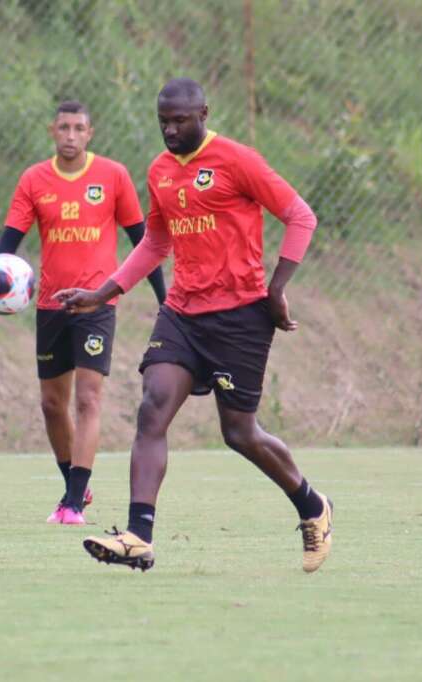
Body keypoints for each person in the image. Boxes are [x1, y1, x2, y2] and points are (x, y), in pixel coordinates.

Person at [54, 78, 332, 572]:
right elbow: (156, 244)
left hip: (240, 316)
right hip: (182, 312)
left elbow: (300, 216)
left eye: (180, 120)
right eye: (163, 121)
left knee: (240, 433)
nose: (170, 130)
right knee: (152, 407)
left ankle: (312, 505)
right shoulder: (160, 171)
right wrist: (103, 291)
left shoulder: (237, 160)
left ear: (203, 112)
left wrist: (276, 288)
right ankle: (138, 535)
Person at [0, 100, 166, 525]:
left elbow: (145, 242)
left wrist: (165, 300)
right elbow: (7, 242)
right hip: (50, 304)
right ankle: (74, 488)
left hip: (97, 303)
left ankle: (71, 501)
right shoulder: (34, 180)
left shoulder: (112, 176)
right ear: (53, 131)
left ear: (90, 133)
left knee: (89, 398)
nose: (70, 135)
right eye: (63, 127)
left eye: (78, 128)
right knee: (52, 404)